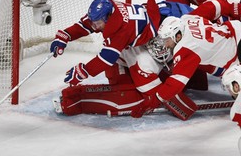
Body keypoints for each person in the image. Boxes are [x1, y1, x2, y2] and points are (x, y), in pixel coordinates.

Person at [50, 0, 211, 120]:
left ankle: (176, 88)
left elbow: (107, 57)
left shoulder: (122, 27)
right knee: (116, 75)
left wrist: (83, 71)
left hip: (162, 36)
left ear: (107, 18)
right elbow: (86, 24)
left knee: (146, 90)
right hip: (152, 35)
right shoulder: (108, 10)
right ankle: (173, 79)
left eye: (98, 23)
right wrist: (66, 35)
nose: (95, 27)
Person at [53, 36, 198, 121]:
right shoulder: (144, 63)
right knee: (135, 99)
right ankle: (76, 100)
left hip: (136, 59)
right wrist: (187, 108)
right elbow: (162, 97)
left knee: (175, 79)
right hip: (119, 66)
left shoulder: (171, 34)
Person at [130, 14, 241, 118]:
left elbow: (175, 84)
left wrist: (153, 101)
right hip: (235, 29)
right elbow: (209, 9)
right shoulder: (186, 19)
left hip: (236, 55)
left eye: (166, 40)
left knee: (232, 81)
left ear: (177, 36)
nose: (165, 44)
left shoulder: (185, 49)